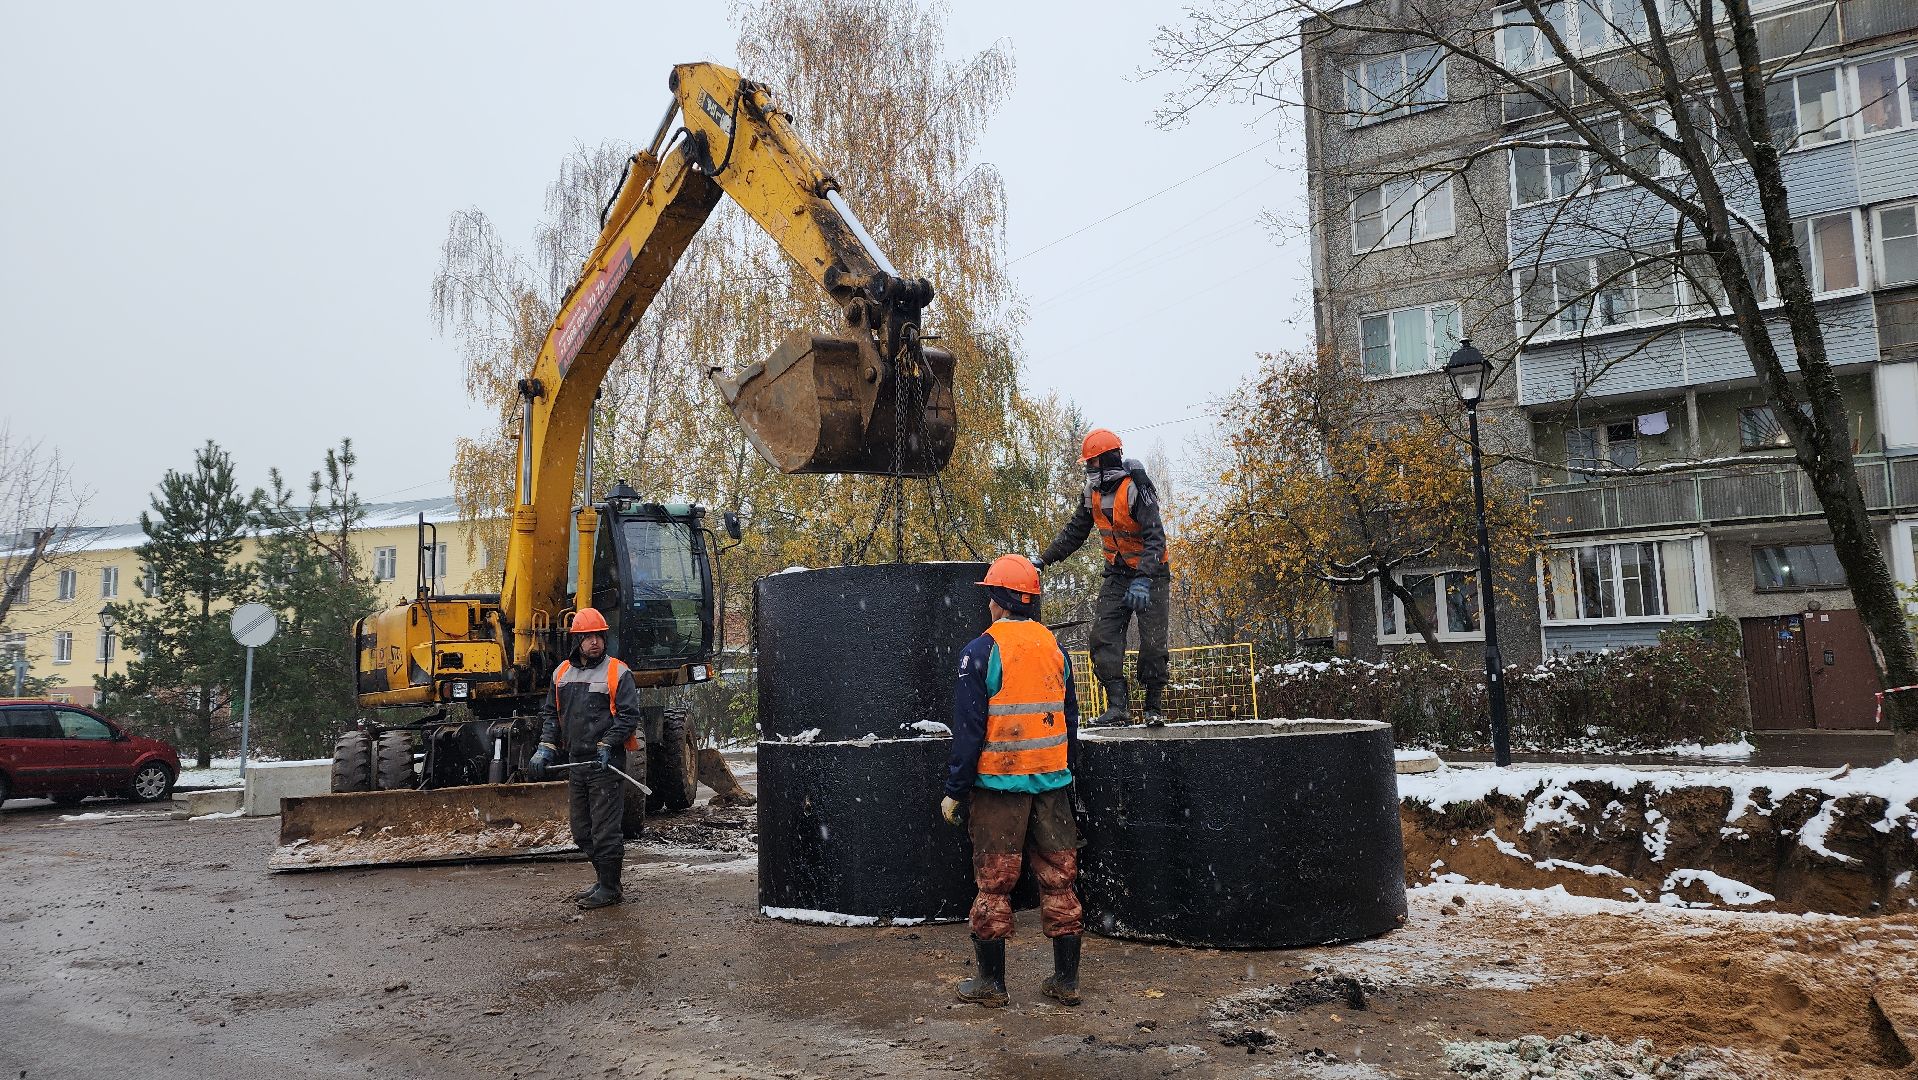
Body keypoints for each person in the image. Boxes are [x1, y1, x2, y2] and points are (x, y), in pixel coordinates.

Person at [941, 555, 1083, 1008]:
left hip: (1000, 789)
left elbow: (969, 730)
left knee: (994, 884)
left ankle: (992, 985)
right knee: (1060, 881)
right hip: (1052, 785)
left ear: (997, 600)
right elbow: (1070, 720)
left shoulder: (980, 651)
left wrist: (955, 789)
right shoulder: (1054, 649)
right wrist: (1064, 772)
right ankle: (1066, 981)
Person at [1034, 428, 1172, 726]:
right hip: (1117, 573)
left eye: (1092, 463)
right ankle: (1118, 707)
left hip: (1152, 574)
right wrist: (1043, 560)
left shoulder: (1136, 488)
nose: (1089, 468)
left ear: (1106, 459)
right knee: (1103, 636)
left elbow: (1155, 538)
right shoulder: (1091, 493)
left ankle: (1153, 708)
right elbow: (1075, 533)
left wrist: (1144, 578)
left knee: (1153, 642)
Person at [527, 607, 642, 910]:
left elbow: (629, 716)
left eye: (598, 636)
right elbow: (552, 714)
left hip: (605, 762)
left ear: (605, 638)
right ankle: (604, 880)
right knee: (581, 830)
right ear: (576, 640)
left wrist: (609, 743)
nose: (594, 642)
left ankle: (610, 887)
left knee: (605, 829)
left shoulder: (618, 671)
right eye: (587, 637)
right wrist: (545, 747)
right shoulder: (561, 673)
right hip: (577, 762)